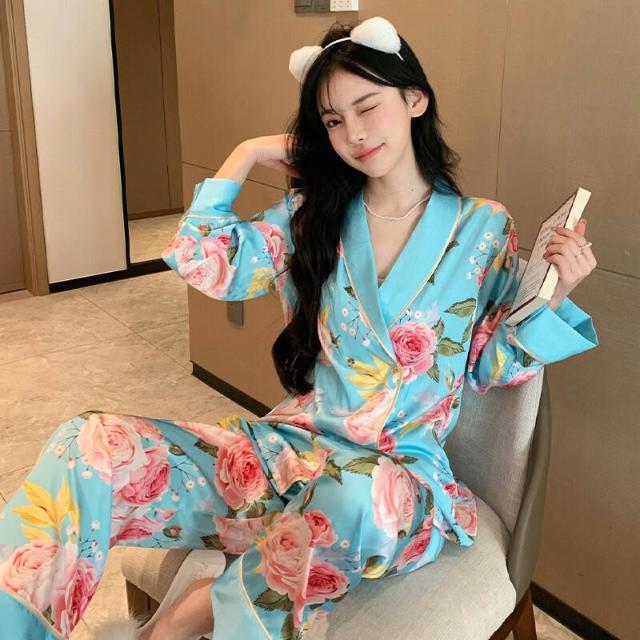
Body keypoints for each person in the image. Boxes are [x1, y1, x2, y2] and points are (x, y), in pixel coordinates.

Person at [0, 16, 599, 640]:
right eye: (332, 121)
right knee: (85, 444)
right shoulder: (312, 215)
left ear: (415, 100)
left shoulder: (483, 227)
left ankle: (192, 615)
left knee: (353, 495)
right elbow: (204, 258)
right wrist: (249, 152)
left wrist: (557, 293)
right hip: (290, 455)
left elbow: (486, 363)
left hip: (391, 481)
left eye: (367, 106)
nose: (353, 133)